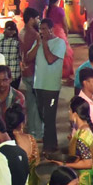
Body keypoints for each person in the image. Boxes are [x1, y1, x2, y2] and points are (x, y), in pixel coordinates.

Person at [31, 18, 68, 153]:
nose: (42, 32)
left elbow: (50, 59)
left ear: (52, 29)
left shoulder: (59, 43)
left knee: (49, 117)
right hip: (39, 85)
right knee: (43, 115)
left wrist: (45, 43)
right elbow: (29, 58)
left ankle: (50, 146)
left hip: (51, 87)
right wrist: (38, 45)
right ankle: (51, 144)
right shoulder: (39, 43)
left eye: (45, 29)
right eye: (41, 29)